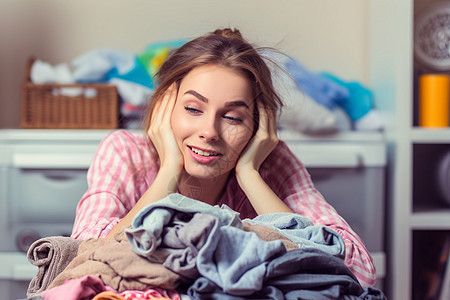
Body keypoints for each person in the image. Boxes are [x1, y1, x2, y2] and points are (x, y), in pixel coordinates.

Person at [71, 28, 377, 287]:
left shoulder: (272, 160)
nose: (209, 132)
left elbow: (360, 270)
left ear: (258, 124)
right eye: (193, 109)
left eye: (232, 117)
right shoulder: (125, 152)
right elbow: (81, 259)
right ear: (165, 107)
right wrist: (168, 174)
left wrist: (249, 175)